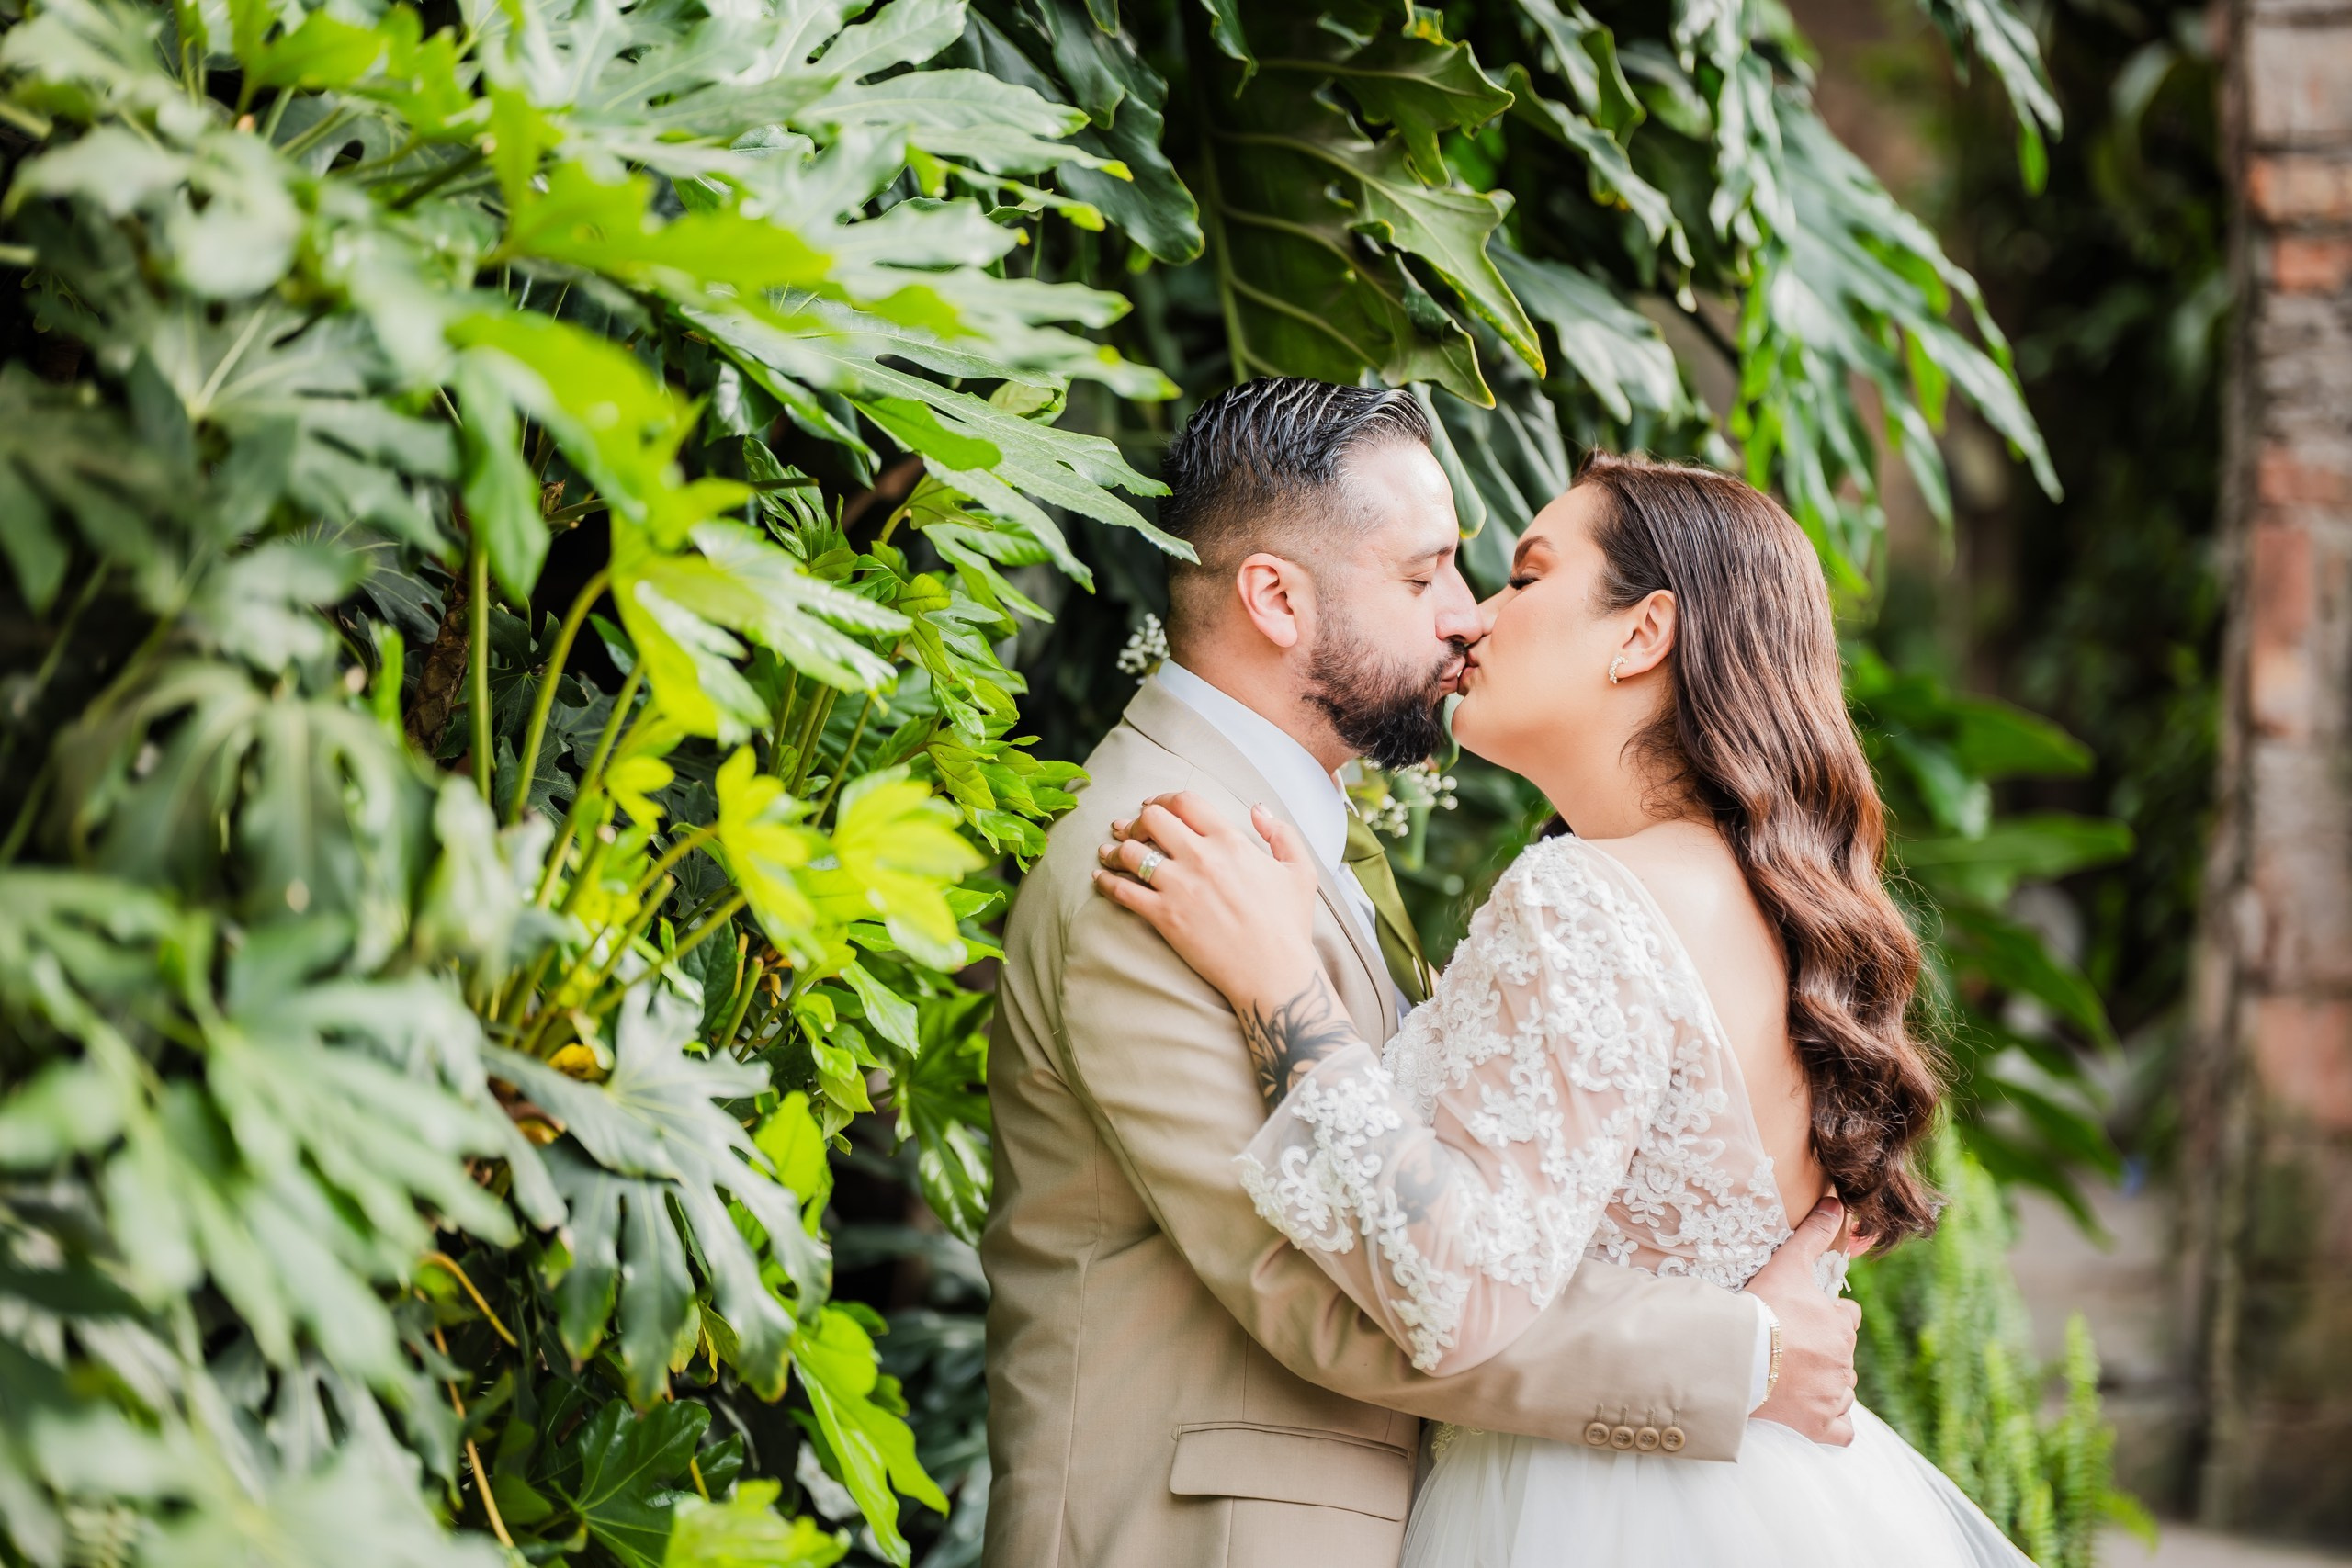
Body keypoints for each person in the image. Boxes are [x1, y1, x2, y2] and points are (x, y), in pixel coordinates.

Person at [1092, 450, 2036, 1567]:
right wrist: (1752, 1350)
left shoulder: (1584, 896)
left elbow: (1453, 1292)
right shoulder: (1768, 908)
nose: (1472, 622)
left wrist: (1286, 995)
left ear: (1641, 636)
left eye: (1523, 579)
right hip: (1763, 1498)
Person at [980, 380, 1861, 1568]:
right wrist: (1742, 1352)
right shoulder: (1159, 854)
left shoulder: (1313, 852)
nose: (1467, 617)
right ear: (1276, 597)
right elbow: (1316, 1284)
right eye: (1424, 574)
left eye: (1495, 574)